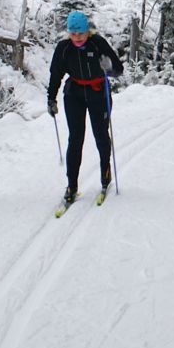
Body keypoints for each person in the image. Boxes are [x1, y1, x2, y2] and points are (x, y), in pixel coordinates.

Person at [47, 10, 124, 205]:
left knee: (100, 135)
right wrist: (51, 99)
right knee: (75, 139)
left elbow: (118, 69)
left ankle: (105, 176)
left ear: (87, 31)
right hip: (75, 94)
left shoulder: (97, 43)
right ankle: (71, 185)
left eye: (80, 33)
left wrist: (109, 68)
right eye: (73, 34)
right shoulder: (64, 48)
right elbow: (56, 75)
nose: (77, 37)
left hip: (98, 93)